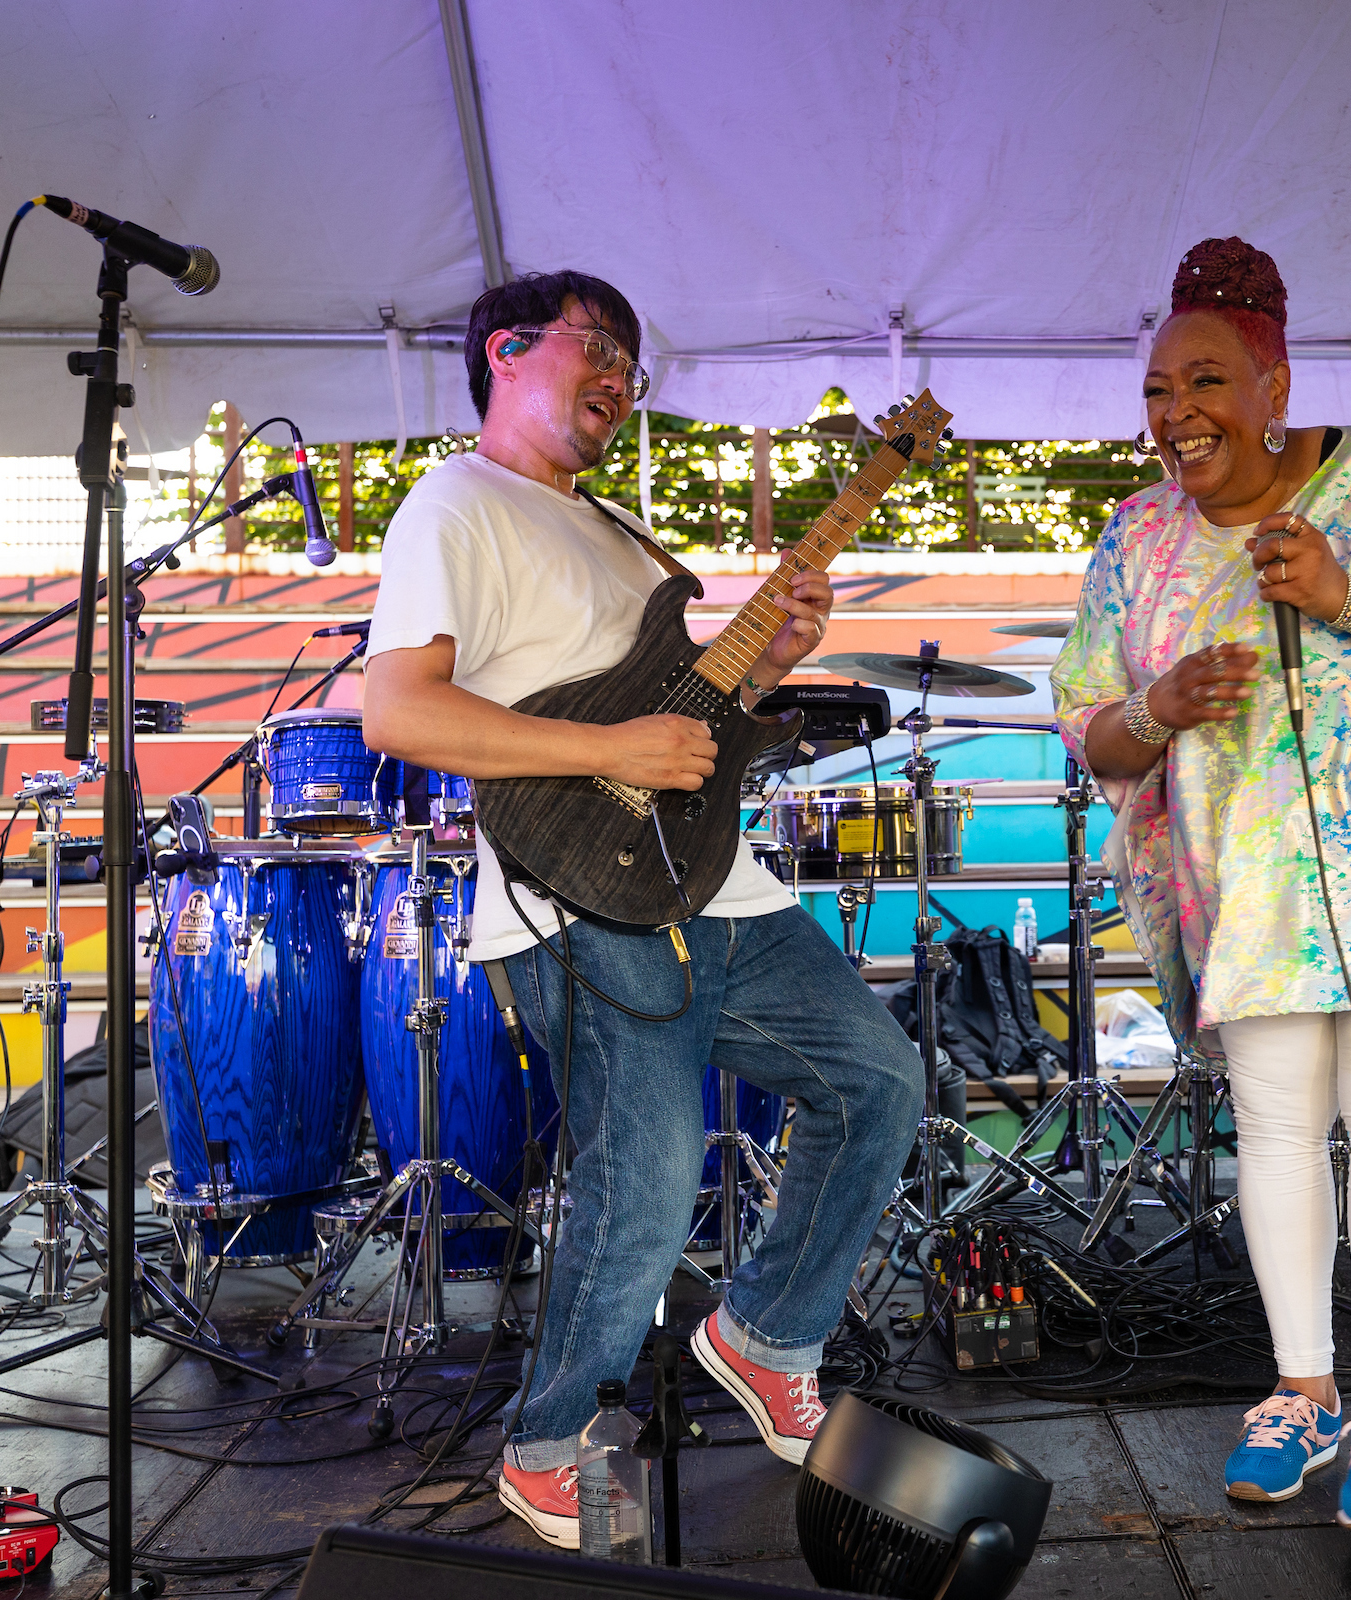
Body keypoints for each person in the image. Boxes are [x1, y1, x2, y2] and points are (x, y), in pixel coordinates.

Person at [362, 269, 919, 1549]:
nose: (619, 375)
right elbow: (396, 713)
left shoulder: (615, 530)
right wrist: (605, 748)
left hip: (712, 879)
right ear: (505, 352)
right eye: (593, 346)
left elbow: (694, 724)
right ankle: (548, 1442)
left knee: (878, 1078)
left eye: (631, 358)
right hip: (578, 892)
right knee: (650, 1182)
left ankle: (766, 1331)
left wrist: (767, 661)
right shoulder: (456, 502)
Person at [1051, 238, 1351, 1547]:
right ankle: (1300, 1392)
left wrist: (1350, 595)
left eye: (1204, 380)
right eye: (1156, 390)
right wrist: (1153, 707)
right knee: (1273, 1133)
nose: (1175, 414)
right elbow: (1084, 730)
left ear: (1272, 384)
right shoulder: (1139, 538)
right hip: (1248, 883)